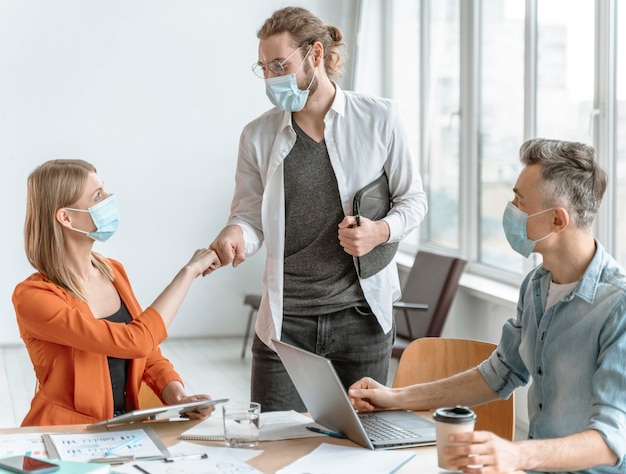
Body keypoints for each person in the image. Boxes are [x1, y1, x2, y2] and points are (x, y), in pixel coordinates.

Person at [349, 138, 626, 474]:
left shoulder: (618, 307)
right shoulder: (536, 285)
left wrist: (517, 455)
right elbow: (499, 373)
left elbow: (611, 442)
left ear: (557, 221)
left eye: (519, 202)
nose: (510, 209)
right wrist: (395, 397)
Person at [209, 6, 427, 412]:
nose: (271, 77)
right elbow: (250, 216)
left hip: (360, 319)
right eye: (263, 68)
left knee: (361, 447)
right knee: (274, 446)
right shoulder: (257, 136)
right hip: (284, 321)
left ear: (315, 55)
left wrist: (380, 231)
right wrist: (235, 232)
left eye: (279, 64)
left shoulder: (379, 118)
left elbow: (413, 200)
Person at [13, 159, 221, 426]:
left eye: (105, 192)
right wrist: (188, 272)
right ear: (66, 217)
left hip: (127, 430)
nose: (109, 200)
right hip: (66, 436)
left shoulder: (114, 271)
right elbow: (136, 340)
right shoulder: (33, 297)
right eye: (97, 196)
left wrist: (177, 396)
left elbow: (146, 356)